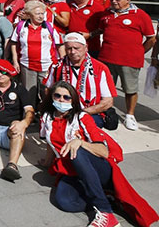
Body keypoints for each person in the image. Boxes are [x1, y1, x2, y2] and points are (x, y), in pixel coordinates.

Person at [39, 82, 159, 227]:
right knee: (67, 203)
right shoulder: (46, 118)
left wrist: (80, 143)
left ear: (73, 100)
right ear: (51, 97)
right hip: (71, 171)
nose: (61, 100)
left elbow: (104, 151)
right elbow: (51, 144)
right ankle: (107, 197)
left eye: (66, 97)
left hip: (97, 167)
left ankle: (105, 211)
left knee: (76, 152)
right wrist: (47, 162)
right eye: (57, 96)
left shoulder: (82, 117)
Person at [94, 0, 156, 131]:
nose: (114, 1)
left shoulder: (140, 15)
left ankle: (130, 115)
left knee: (130, 89)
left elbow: (151, 39)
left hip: (129, 60)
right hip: (106, 58)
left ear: (128, 0)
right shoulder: (107, 14)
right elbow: (102, 30)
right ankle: (105, 112)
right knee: (105, 88)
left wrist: (139, 52)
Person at [44, 33, 116, 129]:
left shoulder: (100, 68)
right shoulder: (57, 66)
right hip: (62, 110)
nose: (72, 52)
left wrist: (82, 113)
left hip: (88, 112)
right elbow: (47, 90)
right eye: (69, 48)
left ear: (86, 47)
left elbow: (108, 101)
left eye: (76, 48)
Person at [9, 0, 65, 95]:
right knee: (29, 93)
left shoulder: (49, 27)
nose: (41, 16)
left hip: (47, 66)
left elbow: (60, 45)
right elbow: (13, 43)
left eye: (42, 14)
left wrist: (62, 63)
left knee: (45, 93)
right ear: (30, 15)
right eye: (37, 14)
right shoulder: (21, 26)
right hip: (26, 65)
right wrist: (15, 61)